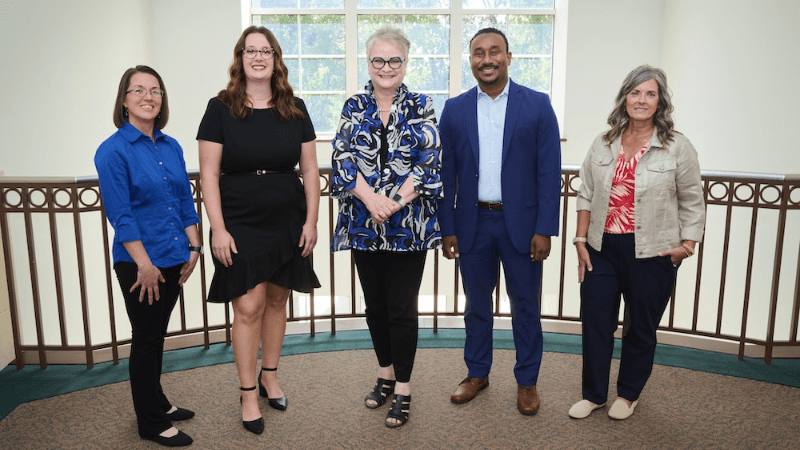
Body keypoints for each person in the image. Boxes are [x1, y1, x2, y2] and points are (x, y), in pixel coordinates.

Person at [197, 26, 320, 435]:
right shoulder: (220, 108)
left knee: (277, 299)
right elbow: (209, 175)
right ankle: (248, 393)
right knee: (248, 305)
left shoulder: (295, 106)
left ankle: (270, 375)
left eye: (265, 50)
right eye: (250, 51)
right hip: (239, 219)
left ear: (275, 58)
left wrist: (311, 221)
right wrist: (217, 228)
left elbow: (310, 170)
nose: (258, 57)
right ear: (240, 58)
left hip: (287, 216)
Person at [569, 65, 705, 420]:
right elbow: (586, 194)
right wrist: (581, 240)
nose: (641, 100)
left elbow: (692, 200)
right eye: (635, 93)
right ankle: (594, 394)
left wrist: (687, 246)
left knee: (640, 327)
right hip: (601, 248)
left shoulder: (678, 147)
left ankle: (628, 395)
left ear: (660, 102)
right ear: (625, 97)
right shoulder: (603, 142)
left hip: (652, 252)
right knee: (596, 322)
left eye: (650, 94)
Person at [439, 27, 561, 416]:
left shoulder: (538, 105)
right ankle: (477, 373)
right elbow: (445, 175)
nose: (486, 59)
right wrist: (448, 227)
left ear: (509, 57)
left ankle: (527, 382)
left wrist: (545, 228)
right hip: (473, 223)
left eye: (494, 52)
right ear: (470, 60)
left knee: (525, 305)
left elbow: (548, 172)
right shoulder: (455, 109)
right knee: (476, 305)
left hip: (522, 227)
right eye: (478, 53)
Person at [330, 25, 442, 428]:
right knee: (375, 307)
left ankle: (405, 387)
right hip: (363, 224)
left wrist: (392, 202)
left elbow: (428, 163)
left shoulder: (422, 105)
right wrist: (371, 199)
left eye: (394, 59)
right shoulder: (353, 105)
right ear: (369, 62)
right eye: (378, 59)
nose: (386, 67)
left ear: (405, 62)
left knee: (401, 309)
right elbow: (342, 160)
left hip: (408, 226)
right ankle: (385, 373)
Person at [95, 65, 200, 447]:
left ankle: (158, 401)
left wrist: (195, 247)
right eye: (138, 90)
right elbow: (120, 215)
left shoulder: (171, 146)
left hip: (173, 255)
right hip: (139, 263)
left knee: (156, 335)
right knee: (145, 339)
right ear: (124, 101)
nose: (148, 97)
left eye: (155, 90)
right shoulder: (112, 151)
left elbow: (184, 201)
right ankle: (151, 423)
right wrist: (144, 263)